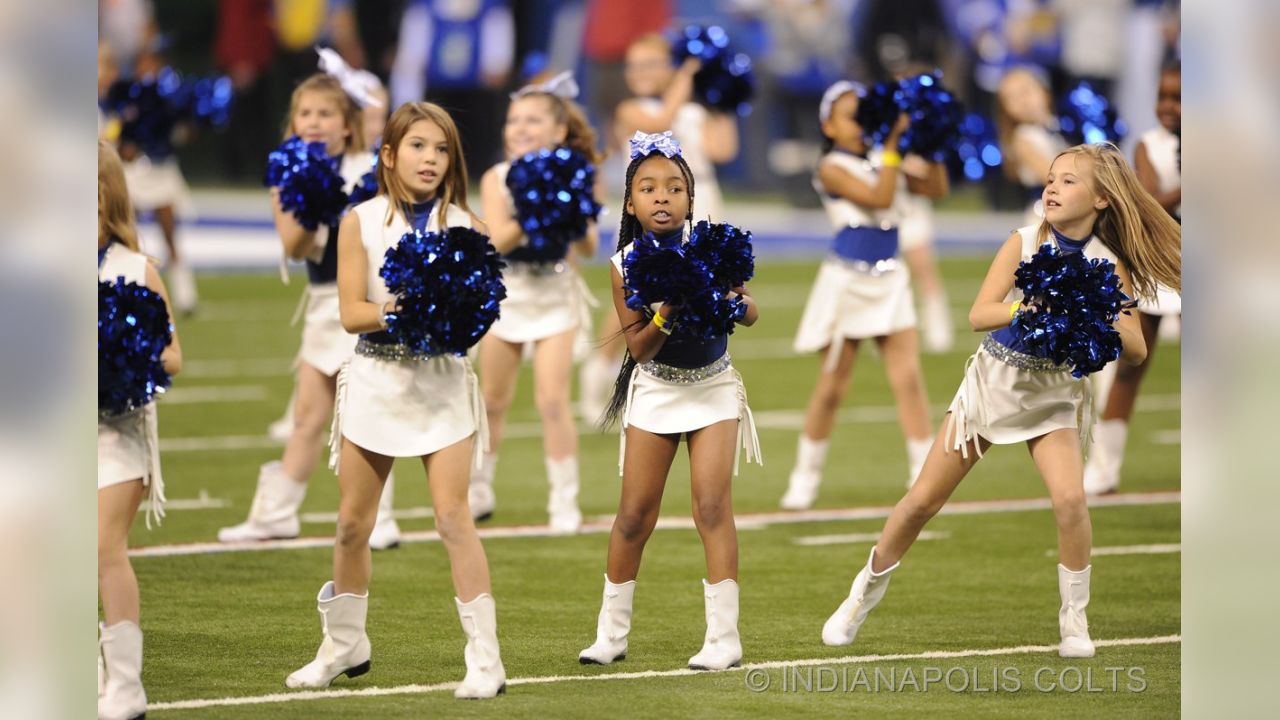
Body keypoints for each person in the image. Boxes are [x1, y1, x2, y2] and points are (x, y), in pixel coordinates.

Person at [819, 143, 1181, 659]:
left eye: (1068, 181)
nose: (1052, 187)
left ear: (1102, 199)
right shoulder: (1024, 240)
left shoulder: (1109, 264)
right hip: (994, 383)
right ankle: (860, 595)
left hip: (1054, 395)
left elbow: (1137, 350)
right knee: (922, 500)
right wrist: (1031, 307)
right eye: (1051, 178)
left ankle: (1074, 622)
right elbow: (980, 314)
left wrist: (1092, 315)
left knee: (1071, 501)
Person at [287, 102, 506, 699]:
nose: (430, 159)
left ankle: (486, 659)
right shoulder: (358, 221)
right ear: (389, 154)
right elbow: (352, 312)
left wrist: (452, 320)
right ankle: (344, 644)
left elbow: (485, 313)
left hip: (440, 383)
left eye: (441, 150)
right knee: (352, 525)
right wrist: (402, 310)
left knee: (453, 517)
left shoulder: (469, 226)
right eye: (417, 147)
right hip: (377, 381)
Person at [578, 131, 761, 671]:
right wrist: (669, 309)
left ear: (690, 196)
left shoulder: (714, 245)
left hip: (713, 387)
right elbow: (639, 345)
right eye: (649, 187)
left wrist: (730, 298)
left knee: (711, 507)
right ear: (630, 201)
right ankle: (611, 635)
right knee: (634, 516)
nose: (663, 196)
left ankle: (724, 638)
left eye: (675, 187)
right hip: (656, 388)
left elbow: (751, 314)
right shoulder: (624, 263)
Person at [218, 68, 400, 549]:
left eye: (326, 113)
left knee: (367, 409)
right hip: (324, 303)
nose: (314, 121)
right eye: (305, 113)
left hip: (365, 302)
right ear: (292, 121)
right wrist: (315, 196)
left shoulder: (373, 167)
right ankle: (275, 514)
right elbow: (295, 246)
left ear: (348, 123)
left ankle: (381, 518)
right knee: (307, 416)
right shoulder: (288, 168)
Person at [780, 81, 947, 510]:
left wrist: (931, 139)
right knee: (833, 388)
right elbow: (880, 197)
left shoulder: (885, 155)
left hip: (891, 281)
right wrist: (893, 145)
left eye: (864, 113)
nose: (859, 123)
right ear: (828, 125)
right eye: (849, 115)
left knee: (908, 380)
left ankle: (921, 476)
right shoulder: (831, 166)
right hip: (846, 284)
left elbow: (936, 188)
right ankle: (805, 477)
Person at [579, 32, 740, 421]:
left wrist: (725, 99)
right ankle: (597, 371)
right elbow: (660, 121)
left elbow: (723, 150)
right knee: (641, 294)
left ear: (667, 67)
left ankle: (698, 366)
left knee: (705, 290)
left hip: (703, 204)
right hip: (660, 212)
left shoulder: (692, 109)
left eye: (650, 64)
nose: (640, 73)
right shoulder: (630, 109)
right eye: (633, 65)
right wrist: (686, 76)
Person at [468, 72, 602, 530]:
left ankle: (564, 499)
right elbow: (496, 243)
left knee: (551, 401)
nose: (520, 128)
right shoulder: (497, 177)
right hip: (507, 294)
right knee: (492, 399)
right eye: (514, 120)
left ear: (559, 130)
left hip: (555, 294)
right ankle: (480, 486)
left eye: (533, 120)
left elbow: (587, 247)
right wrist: (534, 206)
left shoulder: (577, 173)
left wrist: (572, 206)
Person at [98, 139, 184, 720]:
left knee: (102, 546)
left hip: (116, 428)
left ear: (106, 196)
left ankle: (126, 685)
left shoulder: (136, 268)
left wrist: (130, 360)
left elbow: (174, 354)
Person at [1085, 60, 1181, 495]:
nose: (1169, 107)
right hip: (1163, 263)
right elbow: (1151, 202)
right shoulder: (1148, 145)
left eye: (1179, 99)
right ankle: (1104, 467)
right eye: (1164, 96)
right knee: (1129, 366)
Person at [995, 66, 1067, 224]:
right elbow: (1051, 176)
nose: (1022, 101)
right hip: (1045, 215)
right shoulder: (1023, 138)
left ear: (1044, 91)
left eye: (1026, 91)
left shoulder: (1063, 126)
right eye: (1012, 98)